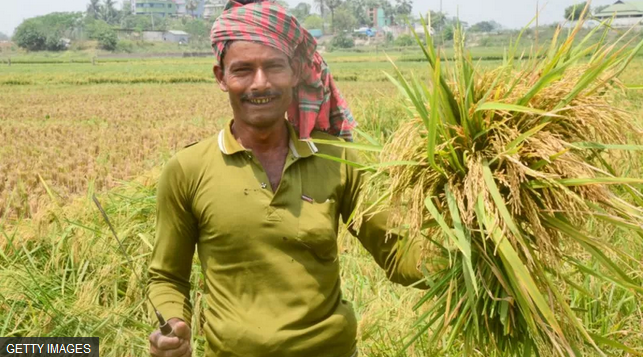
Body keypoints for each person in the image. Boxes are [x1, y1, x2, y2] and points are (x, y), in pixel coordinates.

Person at [147, 1, 431, 356]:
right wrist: (174, 323)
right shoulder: (188, 169)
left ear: (296, 72)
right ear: (221, 77)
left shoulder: (336, 158)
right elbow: (167, 278)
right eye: (243, 70)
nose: (260, 83)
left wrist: (472, 254)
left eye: (274, 66)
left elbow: (397, 252)